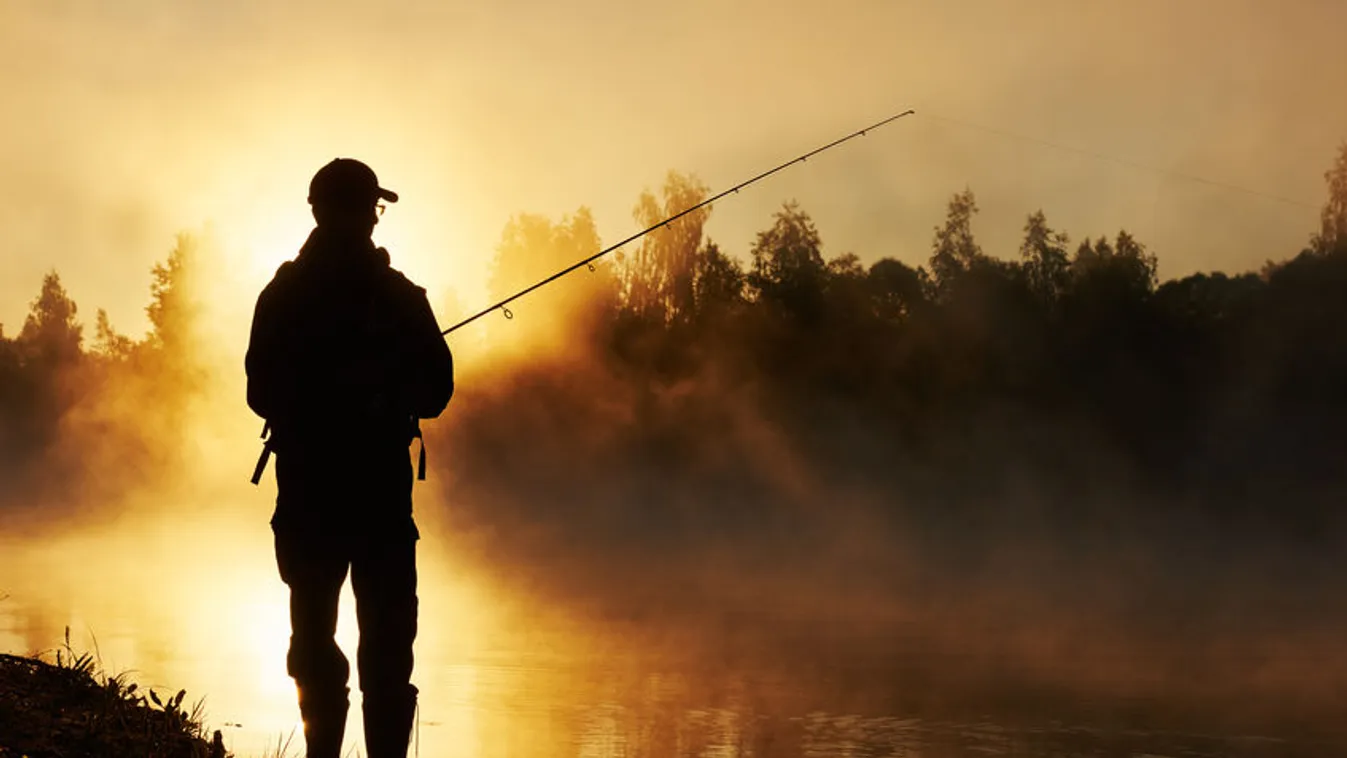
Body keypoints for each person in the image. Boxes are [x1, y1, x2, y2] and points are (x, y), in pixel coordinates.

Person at [245, 158, 454, 758]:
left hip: (308, 502)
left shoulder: (282, 294)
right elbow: (437, 391)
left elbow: (259, 392)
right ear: (365, 214)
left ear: (316, 209)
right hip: (380, 506)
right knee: (387, 652)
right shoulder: (400, 297)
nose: (372, 218)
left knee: (313, 643)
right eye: (371, 208)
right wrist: (381, 387)